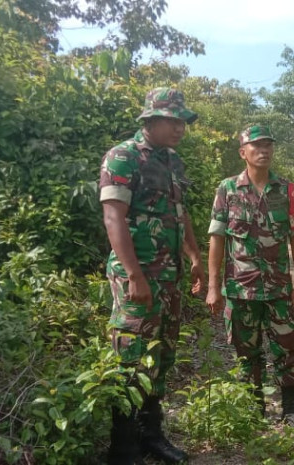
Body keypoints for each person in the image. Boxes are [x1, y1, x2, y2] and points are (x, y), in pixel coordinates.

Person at [99, 87, 204, 465]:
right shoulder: (123, 156)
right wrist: (134, 275)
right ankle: (123, 447)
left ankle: (151, 434)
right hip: (138, 276)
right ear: (150, 120)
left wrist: (194, 255)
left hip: (169, 275)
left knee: (162, 353)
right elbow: (113, 217)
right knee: (131, 356)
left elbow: (180, 211)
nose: (180, 128)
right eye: (173, 121)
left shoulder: (173, 161)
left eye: (183, 122)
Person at [205, 124, 294, 427]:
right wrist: (213, 287)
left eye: (268, 145)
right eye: (256, 146)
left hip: (279, 289)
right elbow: (217, 239)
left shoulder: (286, 189)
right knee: (245, 350)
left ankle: (290, 407)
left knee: (288, 347)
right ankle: (254, 407)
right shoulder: (227, 189)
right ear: (243, 152)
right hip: (240, 289)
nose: (264, 151)